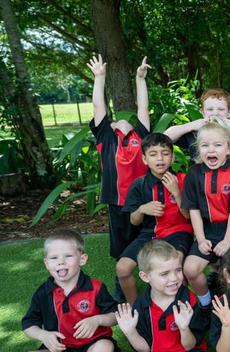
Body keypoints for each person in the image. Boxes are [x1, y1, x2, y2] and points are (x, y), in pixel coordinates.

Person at [87, 55, 151, 300]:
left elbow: (143, 108)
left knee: (146, 242)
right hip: (117, 203)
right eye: (114, 119)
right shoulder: (106, 137)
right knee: (121, 246)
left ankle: (153, 279)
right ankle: (121, 282)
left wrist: (139, 79)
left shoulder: (141, 136)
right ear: (111, 125)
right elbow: (98, 107)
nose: (120, 119)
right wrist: (99, 77)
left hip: (142, 201)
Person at [20, 229, 118, 352]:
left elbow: (115, 315)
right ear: (47, 263)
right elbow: (28, 324)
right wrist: (44, 335)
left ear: (82, 259)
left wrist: (97, 320)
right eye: (54, 258)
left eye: (68, 256)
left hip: (93, 347)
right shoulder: (43, 293)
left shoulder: (95, 287)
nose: (61, 262)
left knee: (105, 347)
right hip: (61, 351)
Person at [117, 133, 194, 304]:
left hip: (179, 231)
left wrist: (177, 193)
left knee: (176, 263)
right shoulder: (139, 185)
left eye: (165, 153)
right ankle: (137, 308)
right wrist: (142, 209)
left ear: (172, 157)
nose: (160, 159)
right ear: (144, 159)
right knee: (122, 268)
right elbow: (133, 221)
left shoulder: (183, 180)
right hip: (150, 234)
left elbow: (189, 216)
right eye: (153, 154)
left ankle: (182, 305)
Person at [181, 120, 230, 307]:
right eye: (205, 145)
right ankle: (206, 303)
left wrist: (227, 241)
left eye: (217, 145)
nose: (211, 150)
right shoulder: (194, 174)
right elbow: (193, 210)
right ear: (198, 149)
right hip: (207, 230)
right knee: (190, 269)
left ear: (228, 149)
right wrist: (201, 239)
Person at [110, 240, 211, 352]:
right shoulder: (140, 305)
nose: (174, 278)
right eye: (165, 274)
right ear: (145, 277)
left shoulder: (188, 300)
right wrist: (130, 332)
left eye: (178, 270)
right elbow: (145, 349)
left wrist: (184, 328)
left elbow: (190, 345)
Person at [164, 88, 230, 167]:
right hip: (199, 184)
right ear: (203, 112)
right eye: (210, 109)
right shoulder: (195, 133)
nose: (215, 113)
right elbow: (164, 138)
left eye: (221, 109)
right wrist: (191, 125)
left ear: (229, 112)